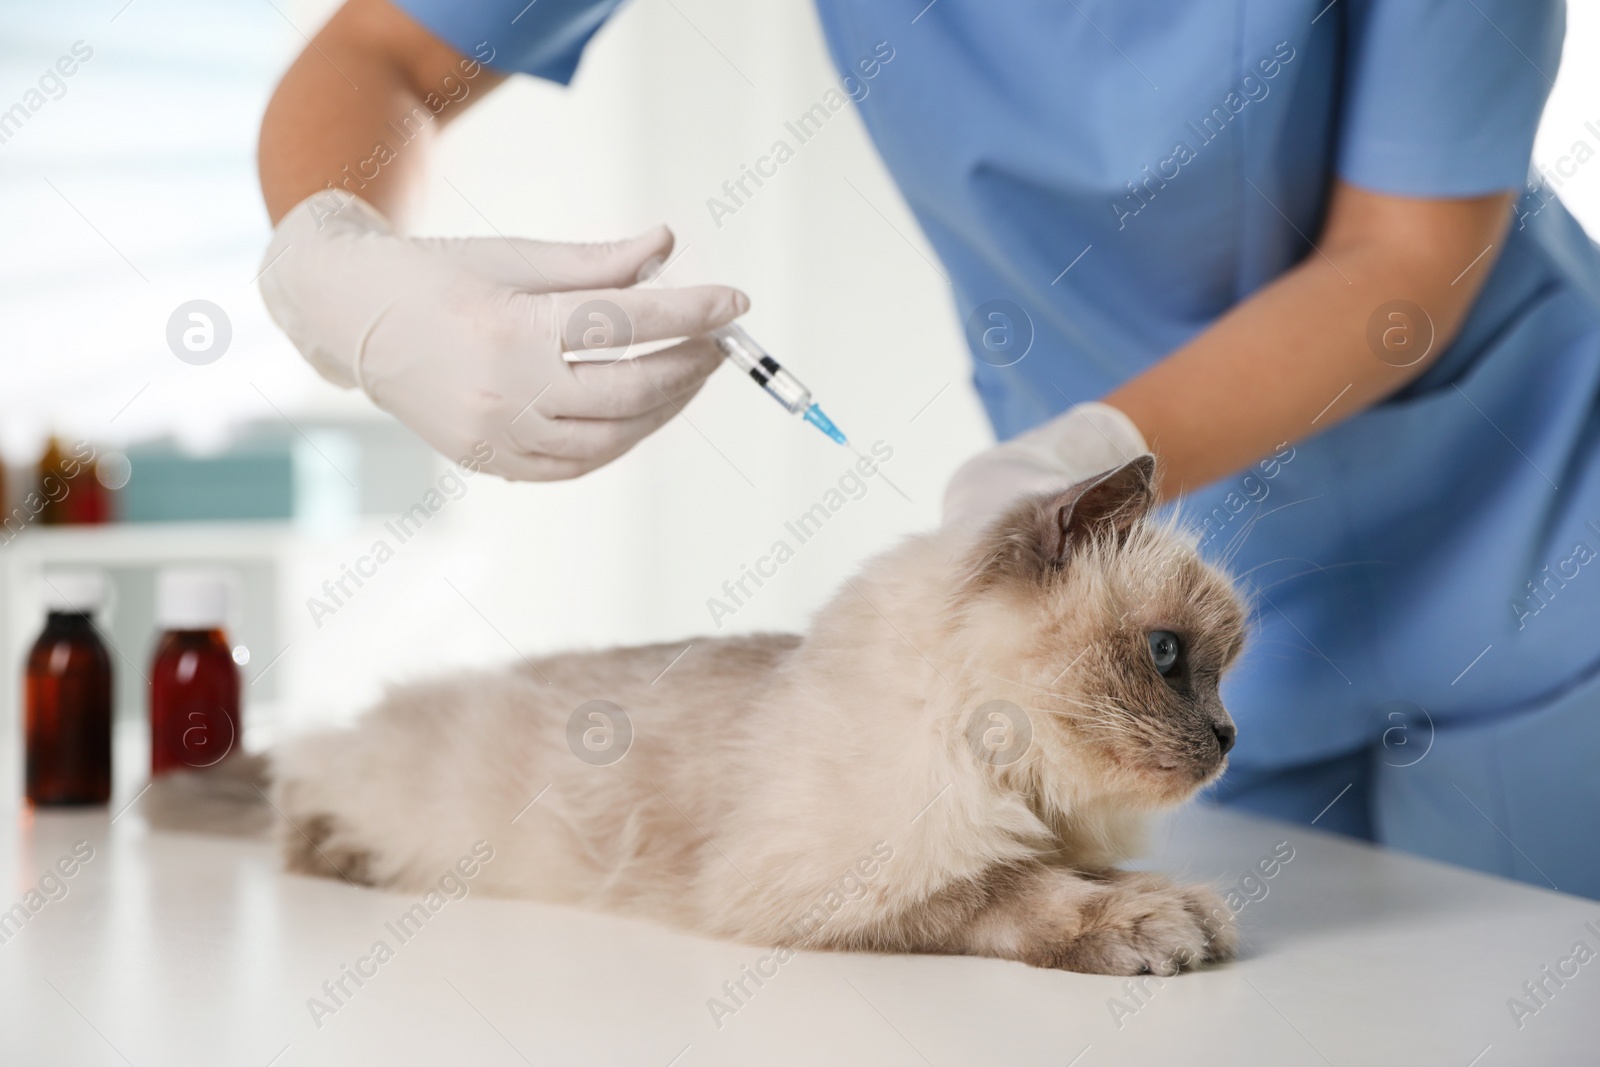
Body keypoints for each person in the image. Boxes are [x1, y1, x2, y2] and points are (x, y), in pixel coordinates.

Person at [258, 0, 1600, 897]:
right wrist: (346, 273)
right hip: (1147, 645)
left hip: (1527, 541)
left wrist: (1100, 443)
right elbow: (379, 52)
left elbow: (1408, 258)